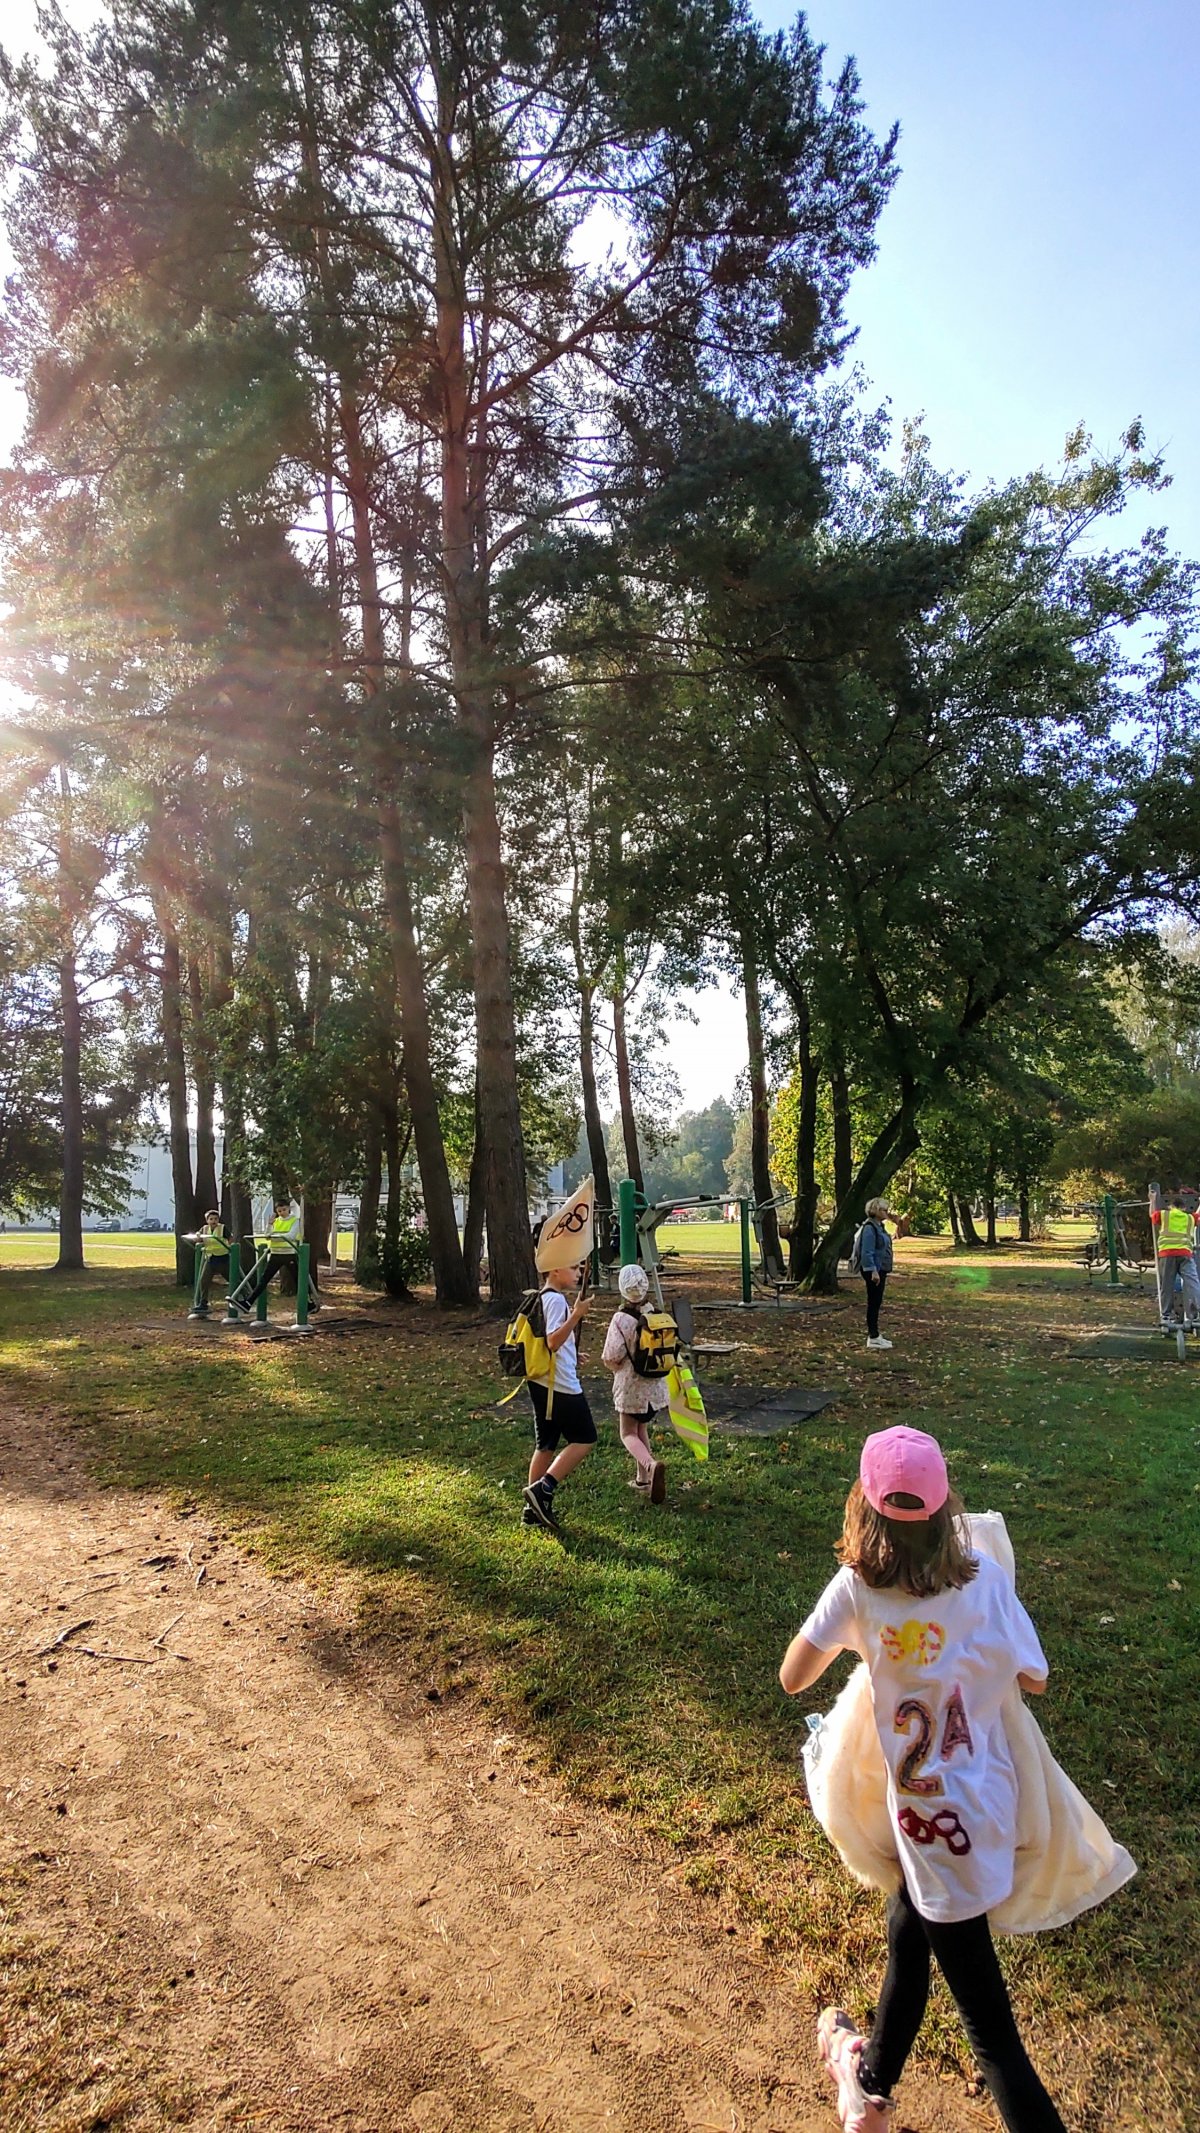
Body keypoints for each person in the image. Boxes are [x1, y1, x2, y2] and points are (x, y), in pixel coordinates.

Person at [779, 1426, 1066, 2133]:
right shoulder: (984, 1578)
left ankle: (869, 2087)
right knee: (910, 1930)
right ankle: (869, 2088)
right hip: (985, 1807)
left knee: (992, 2036)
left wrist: (875, 1647)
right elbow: (1035, 1676)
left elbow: (793, 1677)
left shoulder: (858, 1589)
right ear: (946, 1510)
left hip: (931, 1826)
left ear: (863, 1509)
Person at [521, 1261, 596, 1533]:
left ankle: (532, 1510)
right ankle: (544, 1489)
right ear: (554, 1270)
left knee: (546, 1444)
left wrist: (573, 1353)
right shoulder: (555, 1300)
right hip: (560, 1385)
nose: (578, 1273)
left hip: (542, 1381)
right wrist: (576, 1315)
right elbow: (552, 1341)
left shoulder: (542, 1297)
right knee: (585, 1438)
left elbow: (549, 1342)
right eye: (573, 1267)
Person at [601, 1264, 669, 1503]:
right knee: (641, 1429)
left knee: (627, 1433)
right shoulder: (655, 1313)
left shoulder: (621, 1319)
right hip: (655, 1387)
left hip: (631, 1387)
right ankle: (643, 1479)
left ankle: (650, 1465)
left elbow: (612, 1355)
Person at [232, 1199, 305, 1318]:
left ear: (289, 1208)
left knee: (298, 1279)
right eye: (279, 1211)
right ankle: (248, 1302)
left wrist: (274, 1237)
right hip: (276, 1254)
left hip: (289, 1253)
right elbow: (267, 1235)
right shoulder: (275, 1221)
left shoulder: (295, 1221)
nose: (282, 1213)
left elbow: (291, 1236)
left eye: (284, 1210)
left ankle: (308, 1302)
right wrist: (270, 1224)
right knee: (264, 1279)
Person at [1150, 1184, 1200, 1326]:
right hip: (1185, 1254)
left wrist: (1152, 1199)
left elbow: (1152, 1215)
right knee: (1192, 1282)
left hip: (1167, 1254)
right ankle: (1196, 1311)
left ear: (1171, 1206)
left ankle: (1166, 1315)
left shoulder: (1165, 1215)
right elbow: (1198, 1216)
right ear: (1184, 1208)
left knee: (1167, 1284)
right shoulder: (1189, 1218)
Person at [858, 1198, 894, 1351]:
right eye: (884, 1210)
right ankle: (873, 1337)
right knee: (873, 1302)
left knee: (877, 1302)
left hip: (881, 1269)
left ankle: (876, 1335)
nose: (886, 1212)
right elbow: (867, 1252)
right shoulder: (869, 1228)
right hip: (874, 1271)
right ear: (876, 1211)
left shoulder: (880, 1226)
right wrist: (873, 1271)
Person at [188, 1209, 232, 1316]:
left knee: (231, 1278)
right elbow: (198, 1237)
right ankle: (203, 1303)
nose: (213, 1221)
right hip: (210, 1258)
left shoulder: (222, 1228)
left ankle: (242, 1296)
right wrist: (197, 1238)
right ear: (207, 1220)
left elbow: (231, 1238)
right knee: (204, 1280)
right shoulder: (204, 1229)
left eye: (215, 1219)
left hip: (222, 1258)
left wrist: (231, 1247)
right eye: (211, 1219)